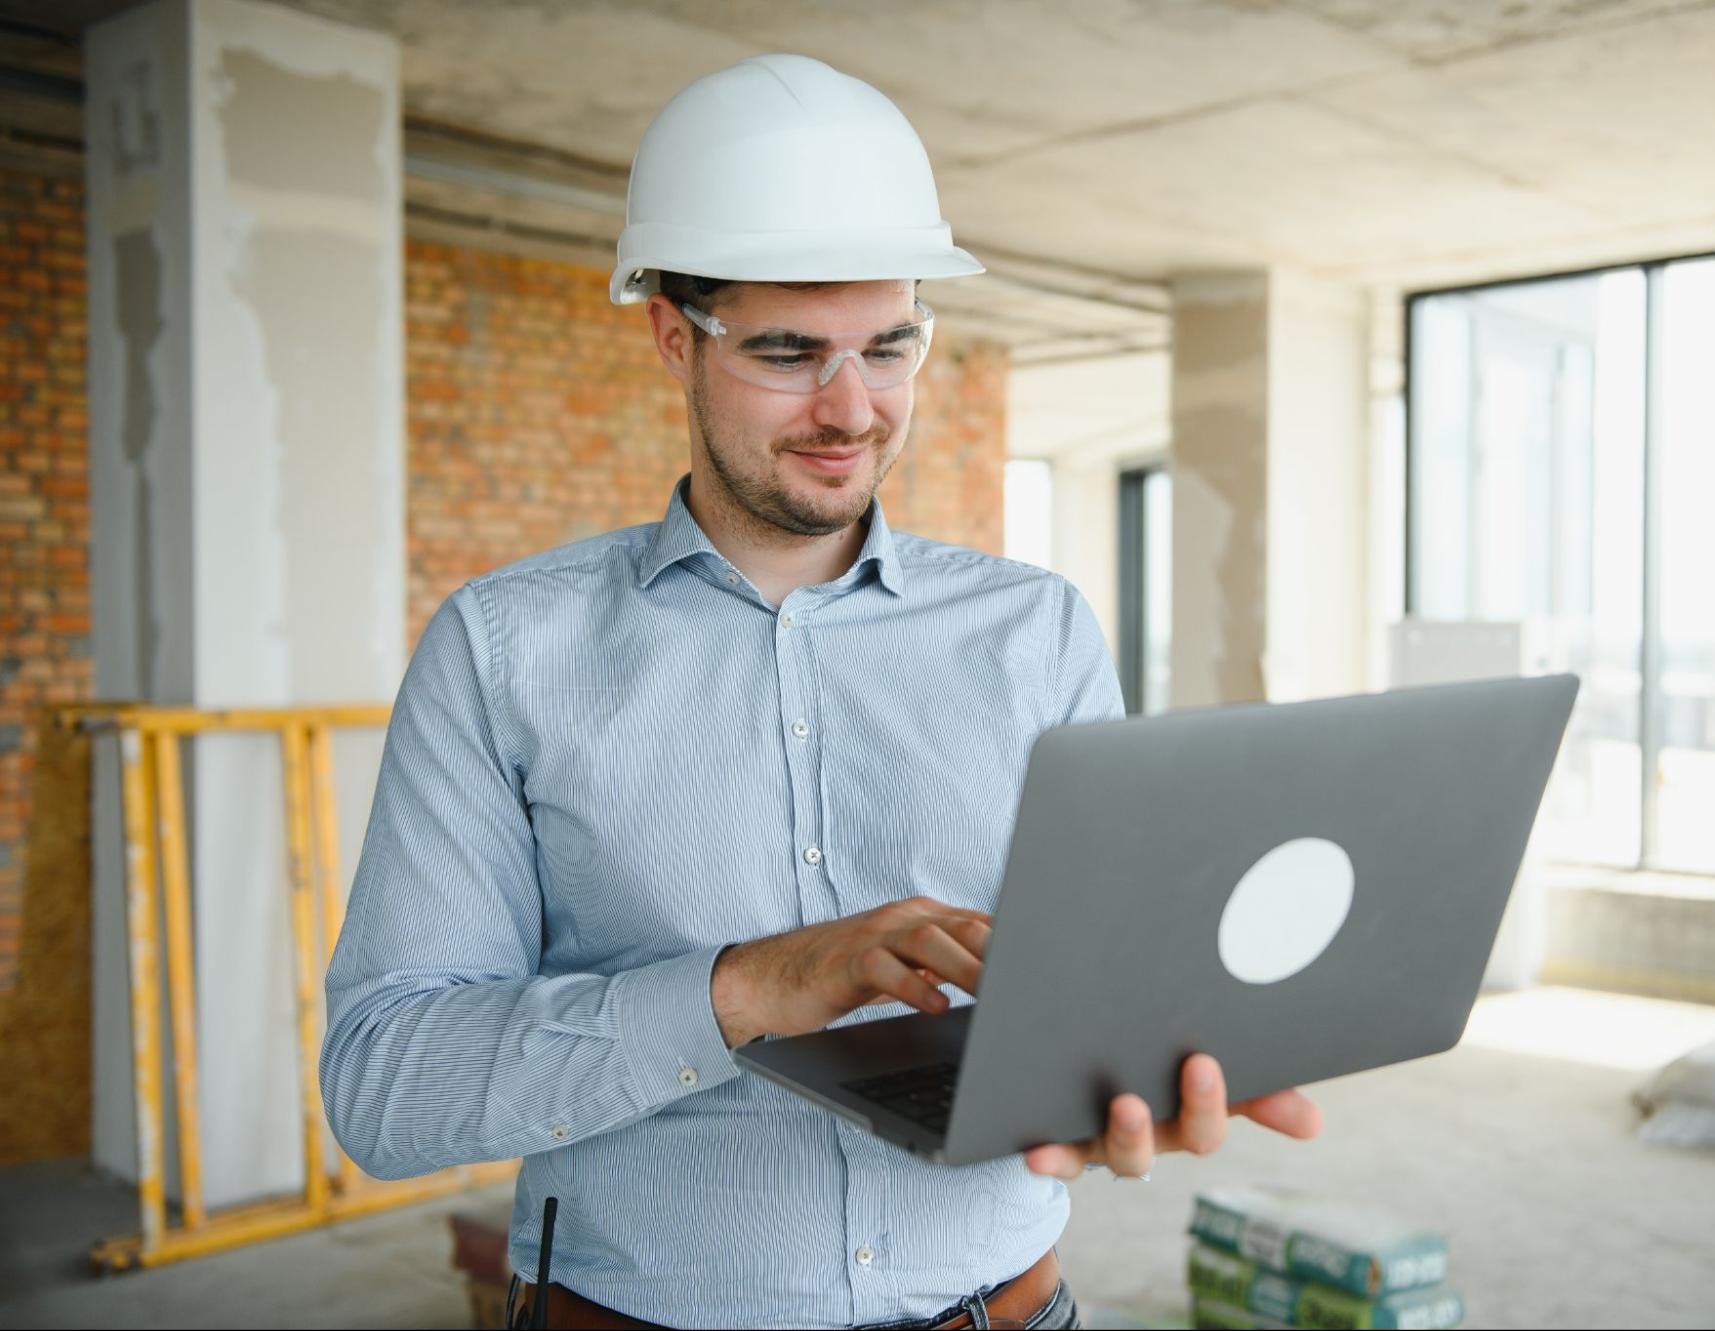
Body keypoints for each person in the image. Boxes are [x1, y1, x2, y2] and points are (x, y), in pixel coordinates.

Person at [321, 53, 1320, 1331]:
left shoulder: (1036, 629)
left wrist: (1149, 1066)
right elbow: (386, 1085)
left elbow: (1101, 986)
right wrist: (745, 988)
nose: (851, 409)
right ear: (673, 335)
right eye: (789, 352)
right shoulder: (506, 650)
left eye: (889, 346)